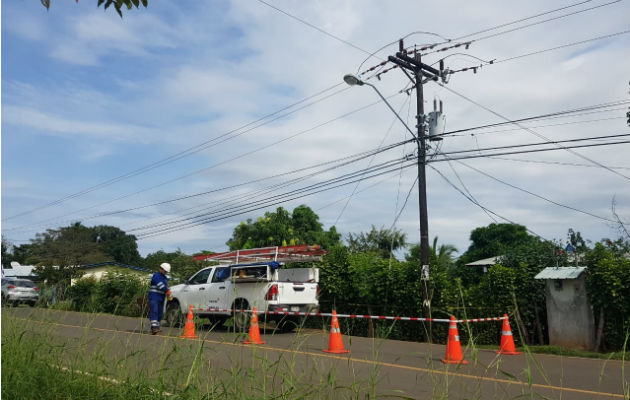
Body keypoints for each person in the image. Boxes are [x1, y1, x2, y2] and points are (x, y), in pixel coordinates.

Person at [148, 262, 172, 335]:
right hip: (154, 297)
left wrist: (168, 294)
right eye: (165, 271)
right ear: (161, 269)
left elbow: (165, 288)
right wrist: (167, 290)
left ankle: (156, 327)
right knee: (154, 311)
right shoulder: (156, 276)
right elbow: (160, 285)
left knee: (160, 313)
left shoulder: (165, 278)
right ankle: (154, 328)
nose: (165, 273)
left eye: (166, 272)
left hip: (161, 298)